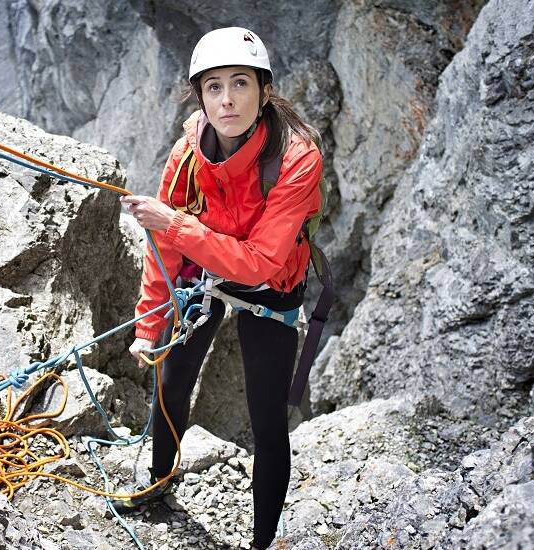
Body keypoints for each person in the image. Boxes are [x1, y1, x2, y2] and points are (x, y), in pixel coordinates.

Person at [112, 27, 324, 550]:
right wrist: (149, 324)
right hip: (205, 270)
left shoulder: (296, 160)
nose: (227, 99)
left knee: (267, 418)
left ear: (264, 91)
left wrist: (174, 224)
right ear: (200, 97)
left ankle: (261, 542)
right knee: (172, 382)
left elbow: (259, 263)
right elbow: (164, 250)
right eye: (213, 87)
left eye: (240, 83)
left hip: (271, 283)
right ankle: (159, 482)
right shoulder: (187, 154)